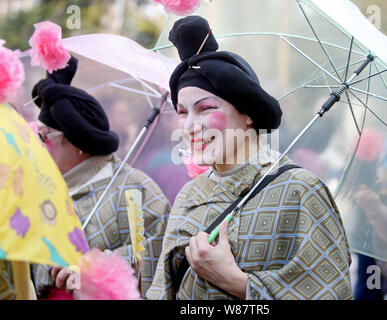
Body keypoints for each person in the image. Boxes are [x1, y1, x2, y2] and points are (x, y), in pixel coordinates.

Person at [146, 16, 353, 300]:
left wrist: (237, 283)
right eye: (182, 112)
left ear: (247, 115)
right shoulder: (189, 195)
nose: (190, 125)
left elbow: (333, 293)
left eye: (205, 108)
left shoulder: (300, 190)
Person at [31, 57, 171, 298]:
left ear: (75, 141)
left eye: (44, 137)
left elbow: (155, 253)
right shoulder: (40, 190)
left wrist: (92, 268)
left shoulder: (134, 189)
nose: (37, 147)